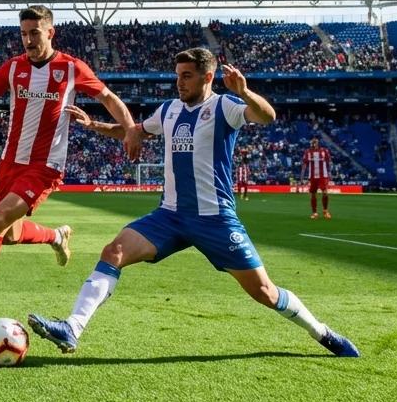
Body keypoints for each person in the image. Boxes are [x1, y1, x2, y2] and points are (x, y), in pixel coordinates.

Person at [26, 48, 360, 359]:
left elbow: (266, 116)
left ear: (207, 77)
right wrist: (94, 124)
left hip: (215, 219)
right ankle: (72, 327)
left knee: (265, 292)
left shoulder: (224, 107)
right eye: (178, 75)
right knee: (113, 251)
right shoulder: (169, 109)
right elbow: (135, 133)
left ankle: (322, 333)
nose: (179, 82)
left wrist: (243, 92)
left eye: (187, 76)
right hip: (169, 216)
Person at [0, 5, 140, 323]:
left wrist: (131, 128)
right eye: (23, 34)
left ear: (50, 33)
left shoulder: (71, 67)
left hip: (45, 166)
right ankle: (55, 236)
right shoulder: (12, 68)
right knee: (7, 234)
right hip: (10, 163)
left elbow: (109, 99)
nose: (28, 40)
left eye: (34, 33)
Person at [302, 135, 333, 219]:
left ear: (317, 144)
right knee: (313, 194)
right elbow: (304, 164)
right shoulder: (307, 152)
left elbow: (329, 162)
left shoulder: (324, 151)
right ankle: (314, 212)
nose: (312, 145)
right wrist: (302, 175)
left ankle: (325, 210)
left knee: (325, 193)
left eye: (313, 143)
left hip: (323, 175)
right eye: (311, 143)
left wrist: (330, 173)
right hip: (312, 176)